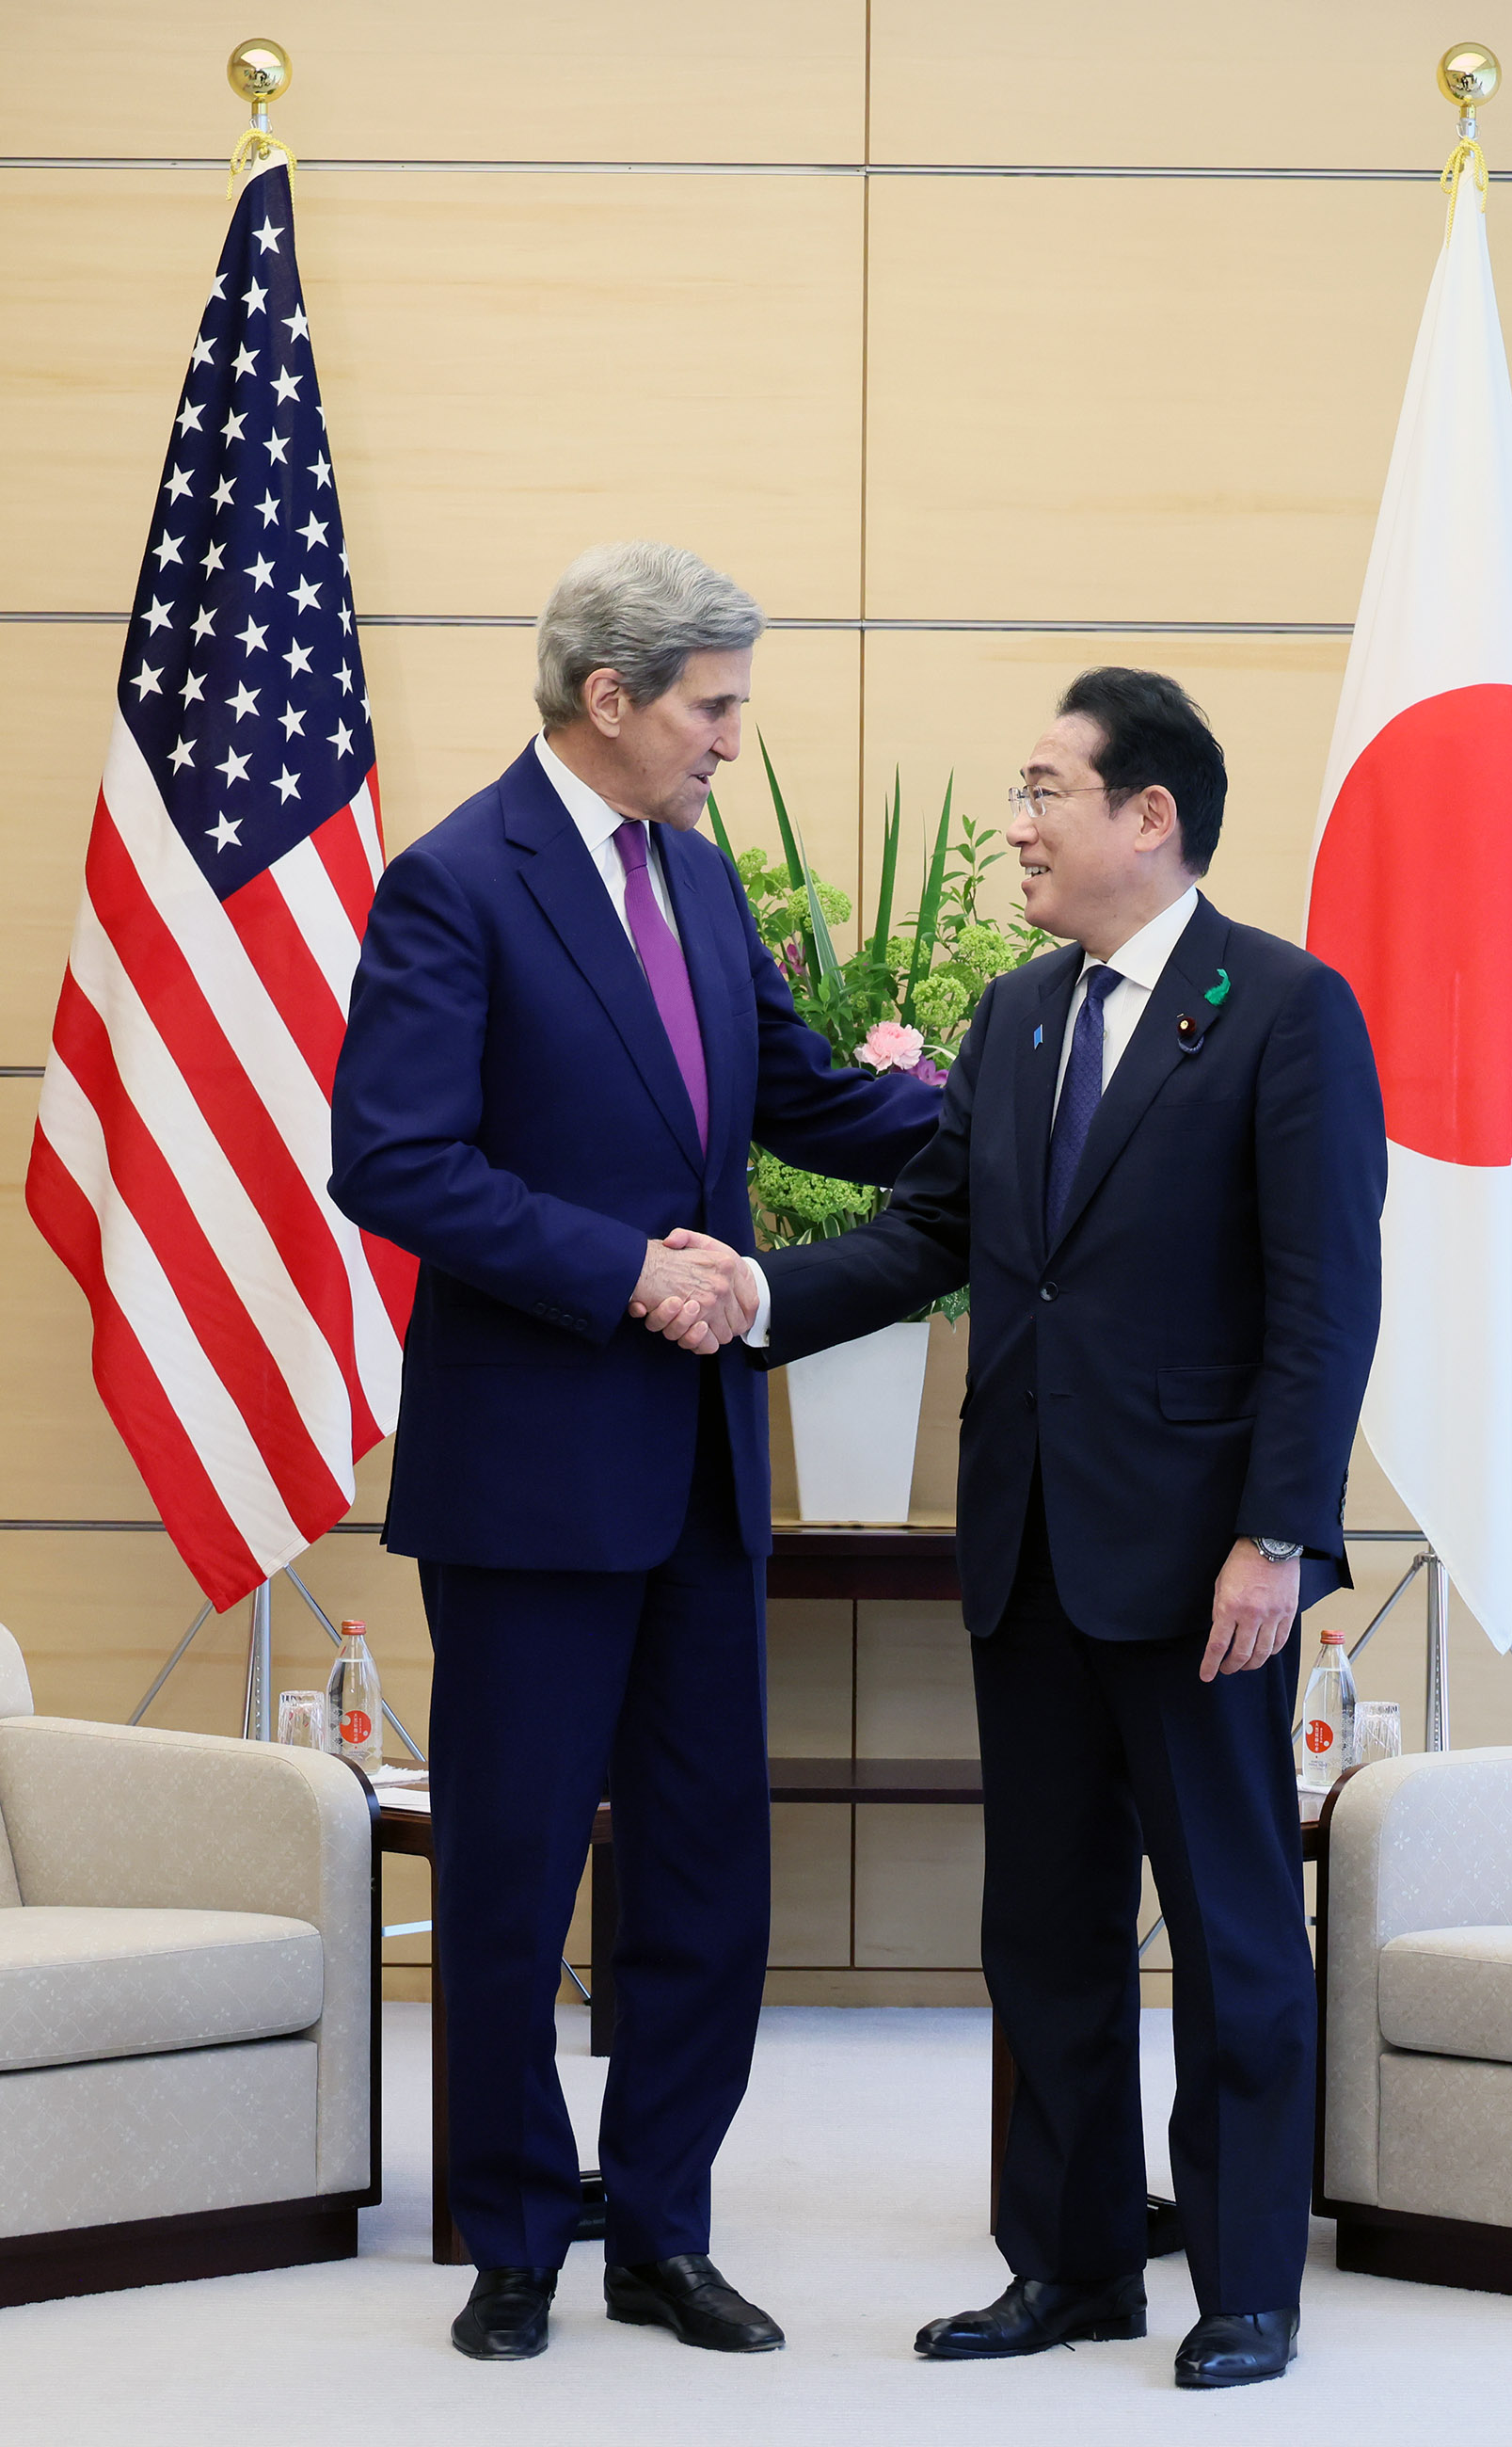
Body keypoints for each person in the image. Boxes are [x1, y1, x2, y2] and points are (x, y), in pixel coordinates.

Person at [645, 667, 1385, 2389]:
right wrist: (754, 1292)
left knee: (1228, 1930)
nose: (1017, 827)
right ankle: (1066, 2266)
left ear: (1151, 816)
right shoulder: (1019, 1013)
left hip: (1203, 1565)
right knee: (1043, 1928)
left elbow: (1322, 1302)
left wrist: (1276, 1538)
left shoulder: (1283, 1009)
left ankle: (1246, 2288)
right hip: (1031, 1546)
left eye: (1047, 790)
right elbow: (927, 1237)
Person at [329, 541, 940, 2363]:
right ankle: (516, 2241)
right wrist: (626, 1271)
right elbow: (395, 1161)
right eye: (712, 707)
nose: (732, 742)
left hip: (697, 1476)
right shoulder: (458, 881)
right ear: (612, 698)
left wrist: (1038, 1104)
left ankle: (663, 2231)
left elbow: (806, 1096)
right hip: (530, 1477)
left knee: (702, 1871)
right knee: (513, 1873)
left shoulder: (700, 875)